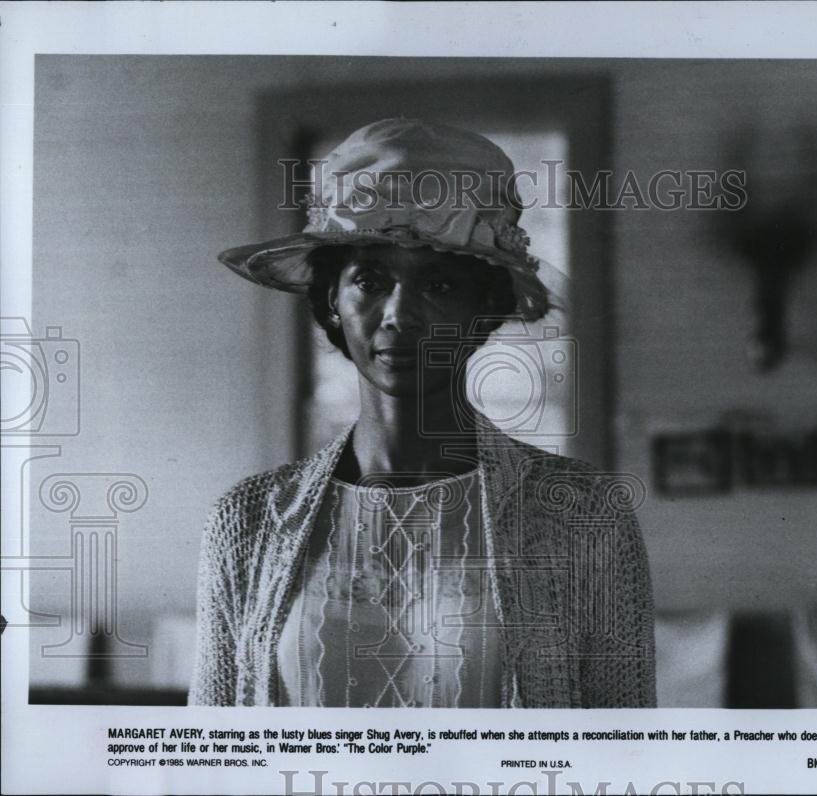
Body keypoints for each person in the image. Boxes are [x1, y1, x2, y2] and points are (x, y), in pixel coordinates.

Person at [189, 118, 656, 708]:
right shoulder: (248, 523)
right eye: (370, 279)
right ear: (331, 299)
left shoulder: (585, 517)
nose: (400, 314)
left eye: (437, 284)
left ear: (484, 307)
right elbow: (210, 761)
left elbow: (624, 753)